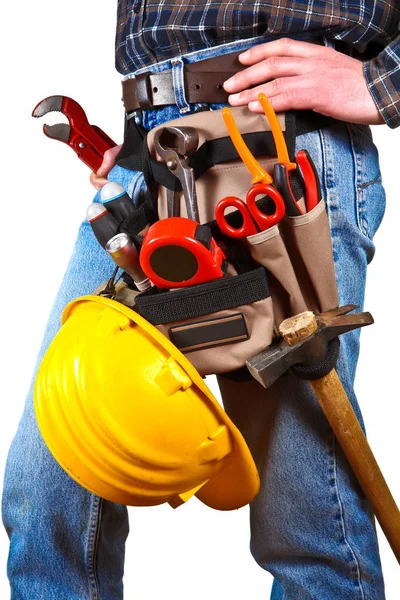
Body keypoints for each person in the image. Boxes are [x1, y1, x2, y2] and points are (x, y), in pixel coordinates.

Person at [2, 1, 399, 598]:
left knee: (301, 513)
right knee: (50, 478)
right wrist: (147, 132)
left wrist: (383, 82)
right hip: (150, 157)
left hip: (278, 144)